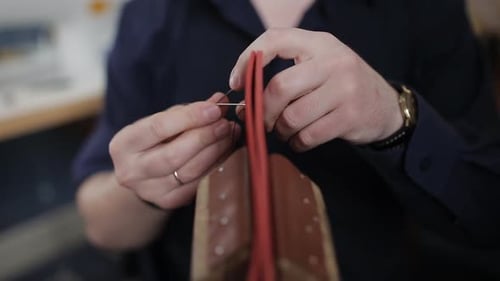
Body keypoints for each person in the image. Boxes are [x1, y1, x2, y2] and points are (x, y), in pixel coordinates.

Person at [73, 0, 500, 280]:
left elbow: (488, 209)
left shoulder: (425, 9)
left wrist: (394, 117)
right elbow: (102, 226)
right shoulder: (151, 12)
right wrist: (148, 189)